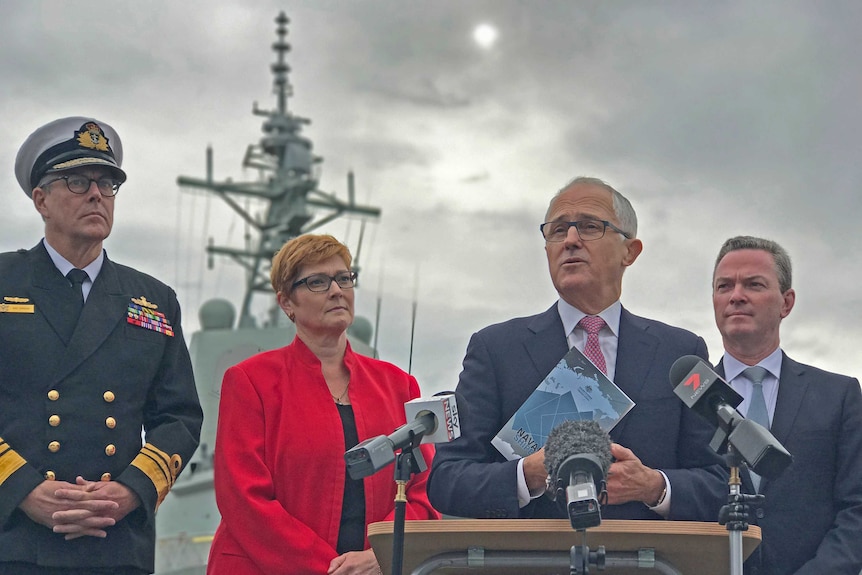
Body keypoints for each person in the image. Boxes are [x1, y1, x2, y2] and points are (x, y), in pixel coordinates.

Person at [428, 176, 727, 522]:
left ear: (630, 251)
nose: (570, 240)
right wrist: (528, 474)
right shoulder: (496, 350)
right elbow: (447, 480)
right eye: (557, 231)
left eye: (589, 226)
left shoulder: (679, 353)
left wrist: (654, 486)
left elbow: (722, 483)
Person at [0, 116, 203, 574]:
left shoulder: (154, 300)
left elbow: (179, 416)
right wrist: (21, 489)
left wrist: (131, 489)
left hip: (117, 545)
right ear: (40, 200)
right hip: (13, 538)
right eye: (77, 181)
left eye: (107, 184)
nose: (97, 194)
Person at [207, 234, 439, 575]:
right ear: (287, 303)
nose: (336, 290)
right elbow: (244, 498)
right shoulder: (250, 381)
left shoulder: (399, 385)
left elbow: (423, 490)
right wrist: (330, 569)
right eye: (317, 281)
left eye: (344, 278)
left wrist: (381, 553)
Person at [711, 236, 862, 575]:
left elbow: (857, 507)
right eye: (724, 286)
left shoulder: (838, 395)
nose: (736, 295)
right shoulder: (690, 398)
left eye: (753, 284)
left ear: (786, 302)